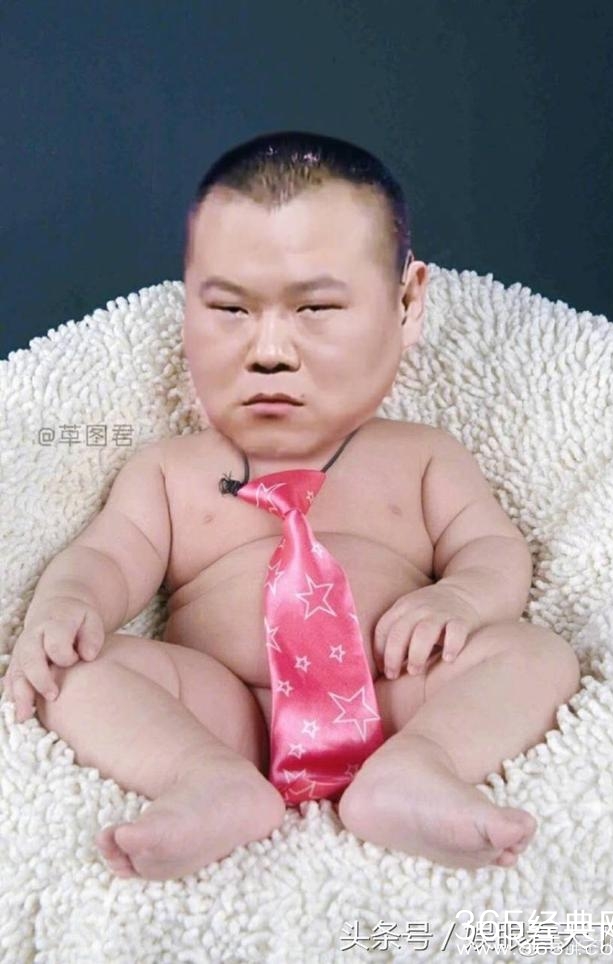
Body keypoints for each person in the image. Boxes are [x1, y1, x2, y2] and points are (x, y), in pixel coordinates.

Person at [2, 131, 581, 881]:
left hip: (397, 696)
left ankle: (416, 770)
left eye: (315, 307)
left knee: (536, 655)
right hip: (227, 711)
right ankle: (206, 782)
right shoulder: (170, 471)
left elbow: (494, 549)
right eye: (230, 310)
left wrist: (461, 599)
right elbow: (106, 556)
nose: (269, 351)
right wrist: (69, 604)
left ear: (407, 304)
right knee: (75, 676)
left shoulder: (423, 456)